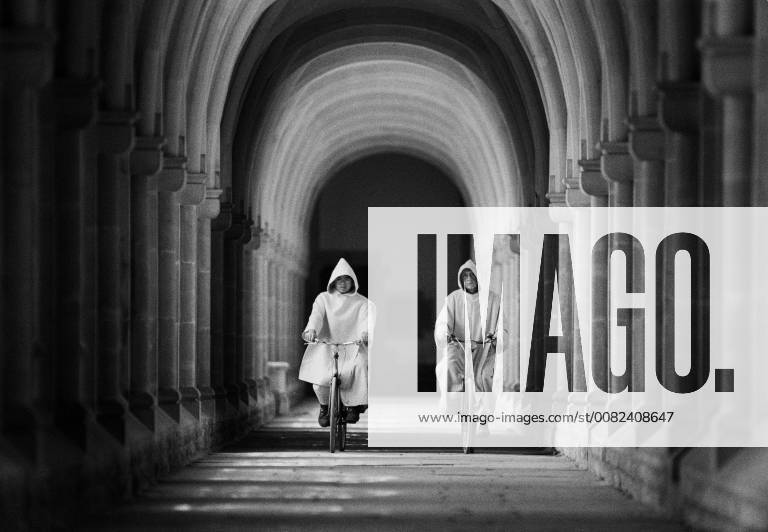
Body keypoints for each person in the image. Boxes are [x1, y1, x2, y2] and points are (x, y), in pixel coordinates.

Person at [300, 258, 372, 427]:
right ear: (333, 280)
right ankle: (324, 407)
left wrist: (365, 333)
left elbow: (365, 321)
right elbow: (316, 316)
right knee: (320, 379)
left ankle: (353, 406)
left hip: (353, 345)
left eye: (346, 279)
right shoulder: (323, 298)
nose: (342, 283)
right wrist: (312, 330)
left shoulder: (362, 302)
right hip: (326, 345)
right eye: (339, 279)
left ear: (353, 281)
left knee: (361, 366)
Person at [434, 259, 500, 392]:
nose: (468, 279)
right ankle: (454, 407)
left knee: (486, 374)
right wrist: (444, 334)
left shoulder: (493, 300)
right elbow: (442, 323)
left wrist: (497, 338)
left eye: (472, 275)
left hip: (485, 350)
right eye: (465, 275)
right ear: (461, 279)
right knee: (449, 367)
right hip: (459, 348)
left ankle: (484, 411)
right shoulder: (453, 298)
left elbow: (503, 326)